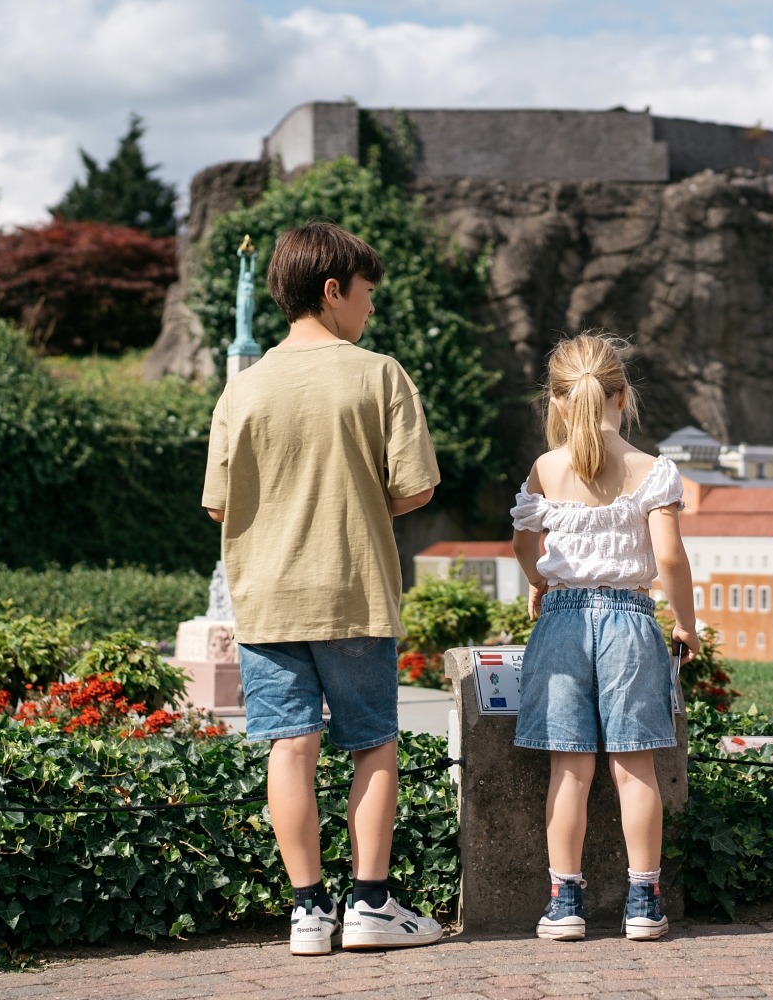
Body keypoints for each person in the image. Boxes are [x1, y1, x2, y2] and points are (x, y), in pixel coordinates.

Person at [202, 221, 443, 956]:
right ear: (333, 290)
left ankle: (308, 912)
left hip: (266, 599)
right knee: (372, 745)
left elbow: (217, 505)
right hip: (352, 590)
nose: (371, 310)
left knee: (290, 748)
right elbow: (414, 489)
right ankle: (371, 904)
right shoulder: (379, 374)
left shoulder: (241, 391)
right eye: (367, 293)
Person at [509, 333, 699, 943]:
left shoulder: (546, 468)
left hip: (562, 618)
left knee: (570, 769)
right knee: (634, 766)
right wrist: (686, 622)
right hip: (630, 621)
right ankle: (644, 898)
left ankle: (565, 900)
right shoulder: (653, 470)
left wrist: (539, 580)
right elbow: (669, 557)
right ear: (622, 395)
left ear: (558, 402)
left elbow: (522, 540)